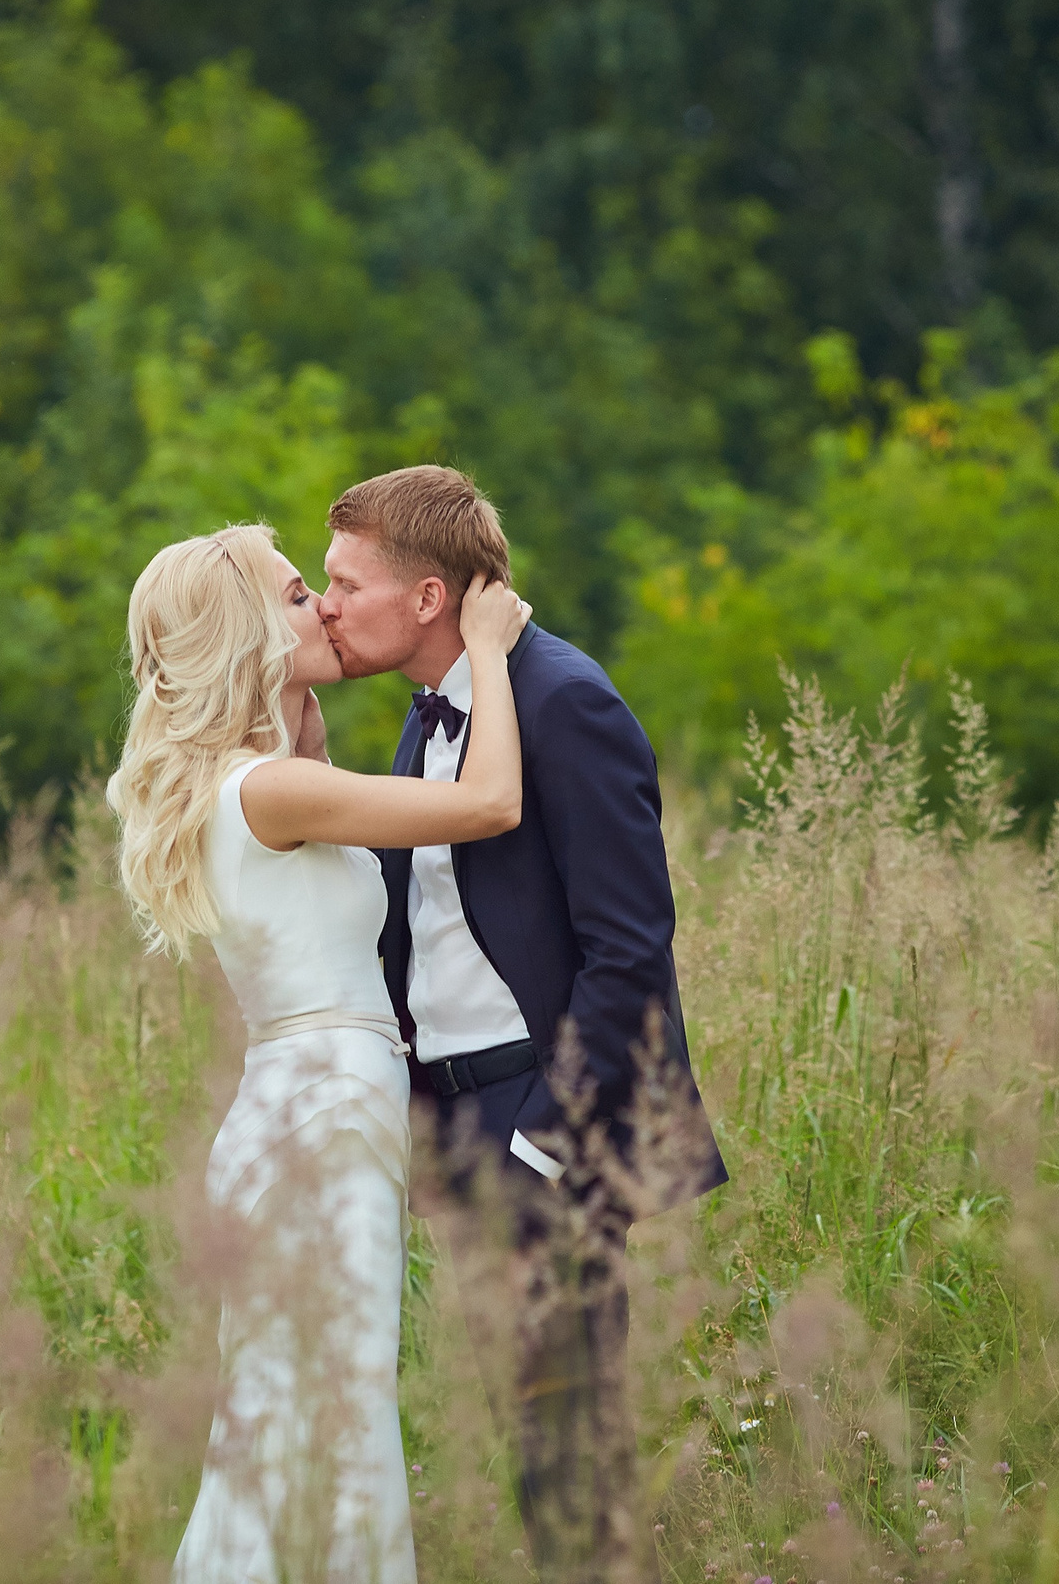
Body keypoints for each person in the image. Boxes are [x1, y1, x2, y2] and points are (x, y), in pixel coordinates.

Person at [317, 464, 727, 1578]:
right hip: (457, 1125)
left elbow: (630, 950)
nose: (325, 603)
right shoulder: (431, 715)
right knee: (524, 1437)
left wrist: (546, 1142)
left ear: (427, 599)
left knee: (568, 1454)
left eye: (344, 581)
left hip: (540, 1121)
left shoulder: (562, 700)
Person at [106, 522, 531, 1584]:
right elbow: (488, 806)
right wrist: (485, 645)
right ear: (251, 631)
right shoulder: (269, 793)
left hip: (299, 1106)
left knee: (288, 1409)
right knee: (329, 1409)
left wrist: (301, 698)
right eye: (302, 597)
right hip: (327, 1113)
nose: (328, 609)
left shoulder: (259, 778)